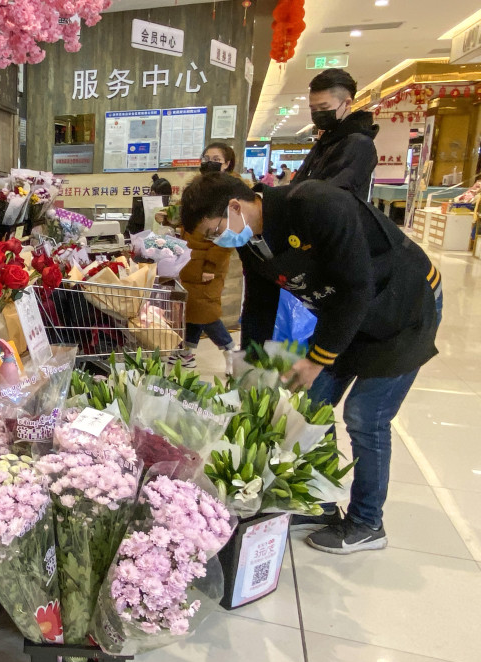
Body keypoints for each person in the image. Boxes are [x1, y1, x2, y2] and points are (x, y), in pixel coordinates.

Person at [179, 173, 441, 555]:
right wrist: (251, 362)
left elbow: (357, 287)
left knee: (365, 416)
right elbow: (260, 302)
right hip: (345, 315)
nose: (218, 240)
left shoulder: (317, 205)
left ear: (235, 206)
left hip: (402, 306)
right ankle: (318, 501)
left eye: (214, 230)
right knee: (311, 406)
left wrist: (318, 359)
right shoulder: (253, 239)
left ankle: (368, 522)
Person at [169, 143, 237, 374]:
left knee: (206, 311)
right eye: (206, 157)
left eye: (216, 158)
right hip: (189, 259)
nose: (209, 161)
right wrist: (170, 219)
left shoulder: (231, 193)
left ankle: (230, 350)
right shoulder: (197, 187)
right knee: (191, 308)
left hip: (209, 261)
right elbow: (188, 220)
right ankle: (187, 352)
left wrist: (211, 265)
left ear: (227, 164)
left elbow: (229, 236)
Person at [293, 68, 379, 199]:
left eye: (324, 108)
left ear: (347, 103)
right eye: (313, 109)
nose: (318, 113)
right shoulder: (326, 142)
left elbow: (332, 196)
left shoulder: (359, 144)